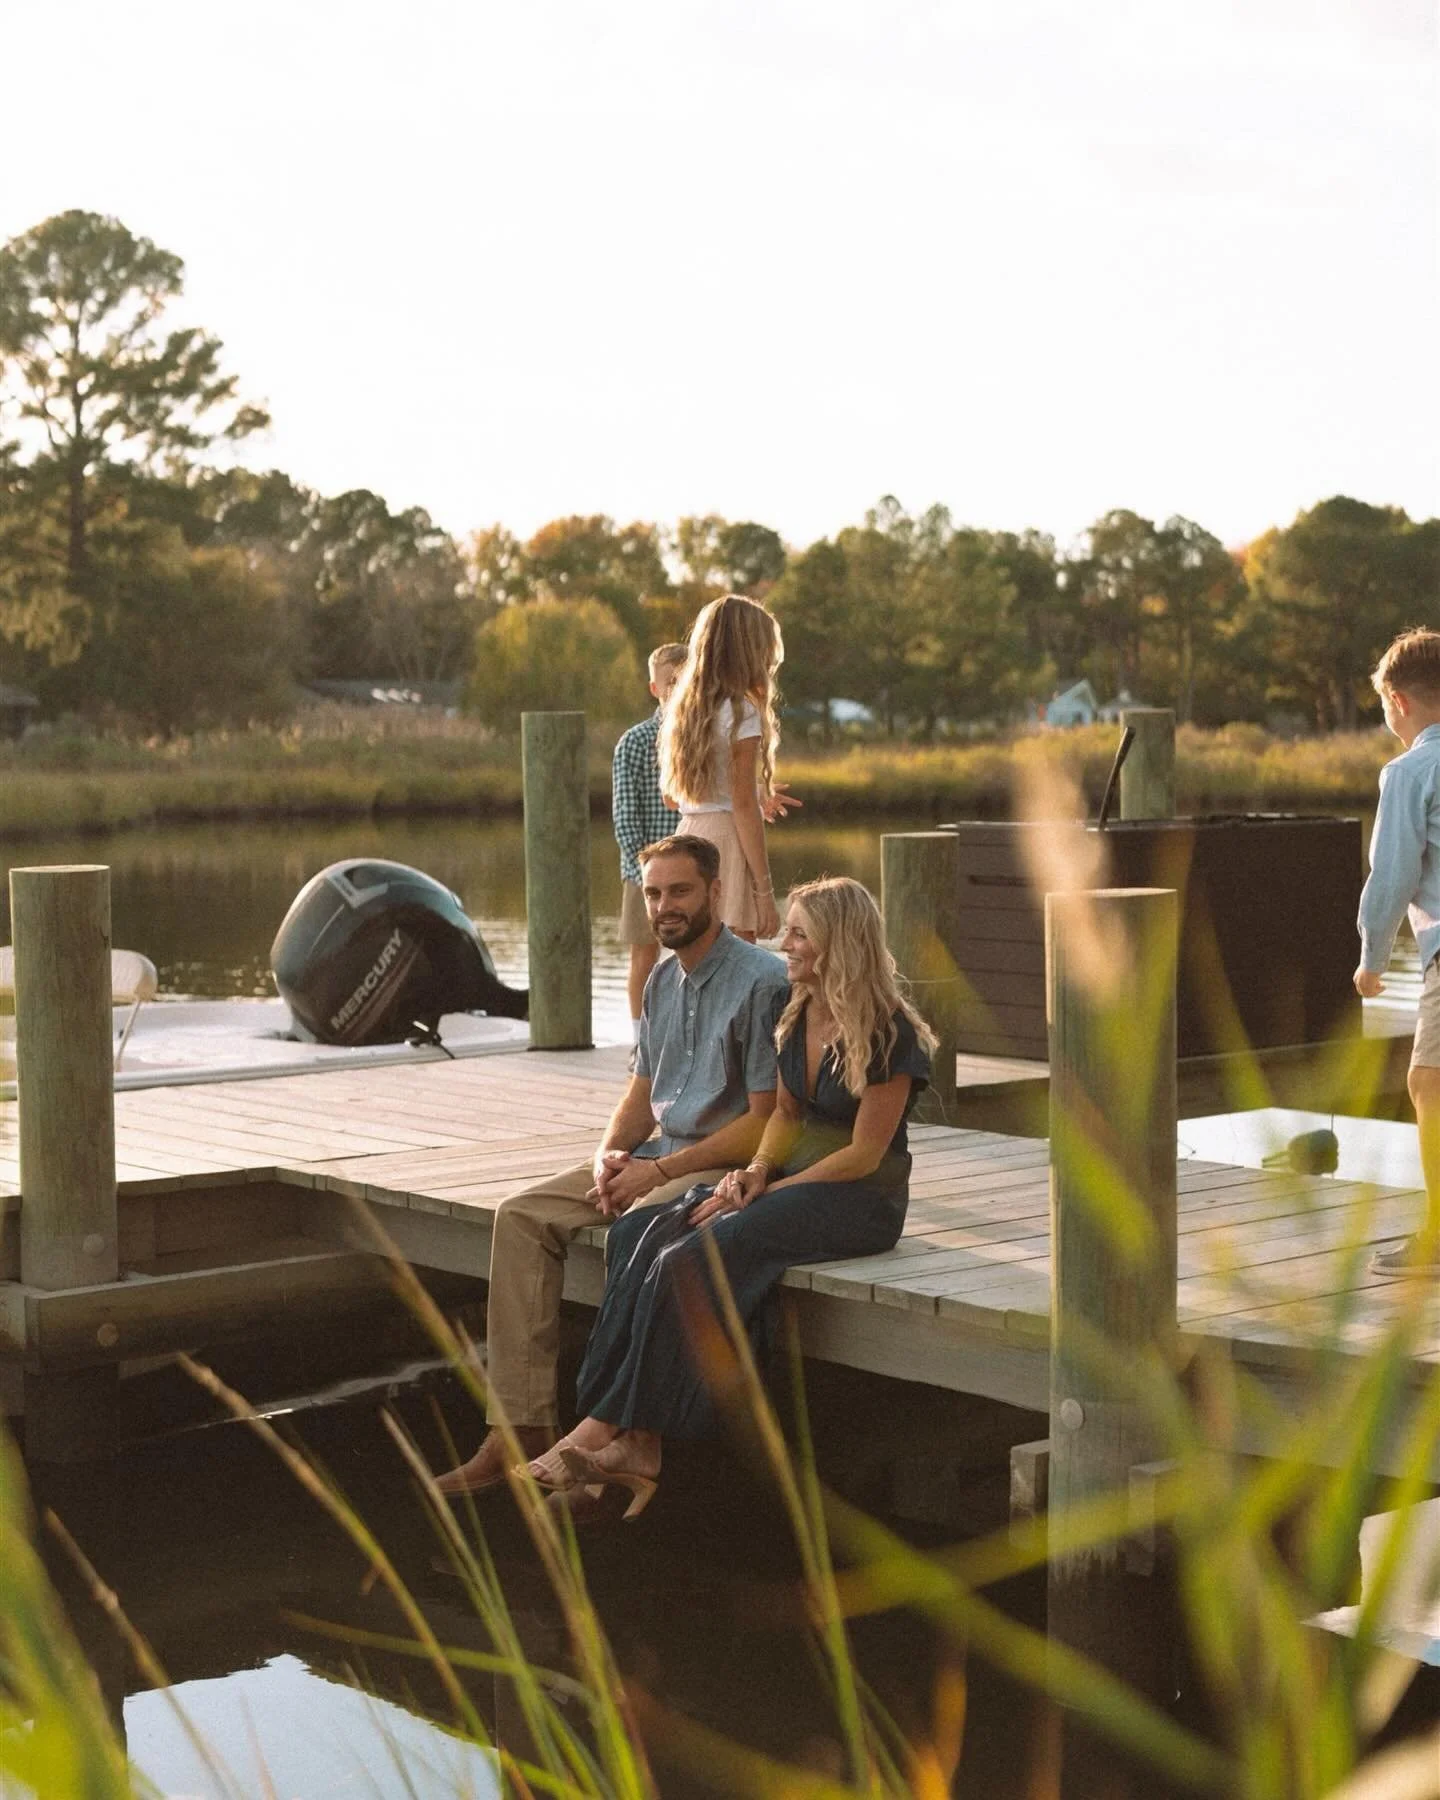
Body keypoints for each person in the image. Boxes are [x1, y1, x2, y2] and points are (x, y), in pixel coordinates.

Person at [526, 876, 935, 1522]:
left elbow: (864, 1154)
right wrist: (755, 1171)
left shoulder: (888, 1034)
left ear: (838, 942)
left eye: (800, 933)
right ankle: (629, 1437)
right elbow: (784, 1117)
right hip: (792, 1180)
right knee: (643, 1234)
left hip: (860, 1199)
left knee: (700, 1253)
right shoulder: (798, 1012)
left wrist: (773, 1189)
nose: (784, 943)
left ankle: (611, 1428)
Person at [434, 835, 789, 1494]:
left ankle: (614, 1443)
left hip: (719, 1166)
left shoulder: (762, 982)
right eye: (653, 894)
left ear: (716, 892)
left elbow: (767, 1121)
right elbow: (641, 1090)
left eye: (679, 891)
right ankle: (519, 1428)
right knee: (520, 1217)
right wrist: (608, 1156)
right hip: (657, 1156)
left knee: (642, 1228)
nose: (663, 907)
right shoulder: (660, 975)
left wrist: (657, 1174)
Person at [1358, 628, 1440, 1277]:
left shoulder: (1411, 770)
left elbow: (1392, 876)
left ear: (1397, 700)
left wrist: (1373, 958)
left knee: (1428, 1083)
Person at [659, 594, 786, 943]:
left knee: (696, 963)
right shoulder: (741, 712)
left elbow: (672, 797)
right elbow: (743, 807)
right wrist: (764, 895)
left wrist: (753, 793)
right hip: (726, 844)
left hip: (687, 836)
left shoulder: (685, 711)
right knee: (736, 970)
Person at [613, 642, 687, 1047]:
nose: (677, 688)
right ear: (654, 688)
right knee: (644, 955)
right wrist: (648, 874)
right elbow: (625, 816)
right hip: (643, 874)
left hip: (692, 872)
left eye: (684, 680)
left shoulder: (698, 738)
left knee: (691, 957)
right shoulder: (635, 742)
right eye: (669, 682)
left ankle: (681, 1038)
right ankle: (641, 1043)